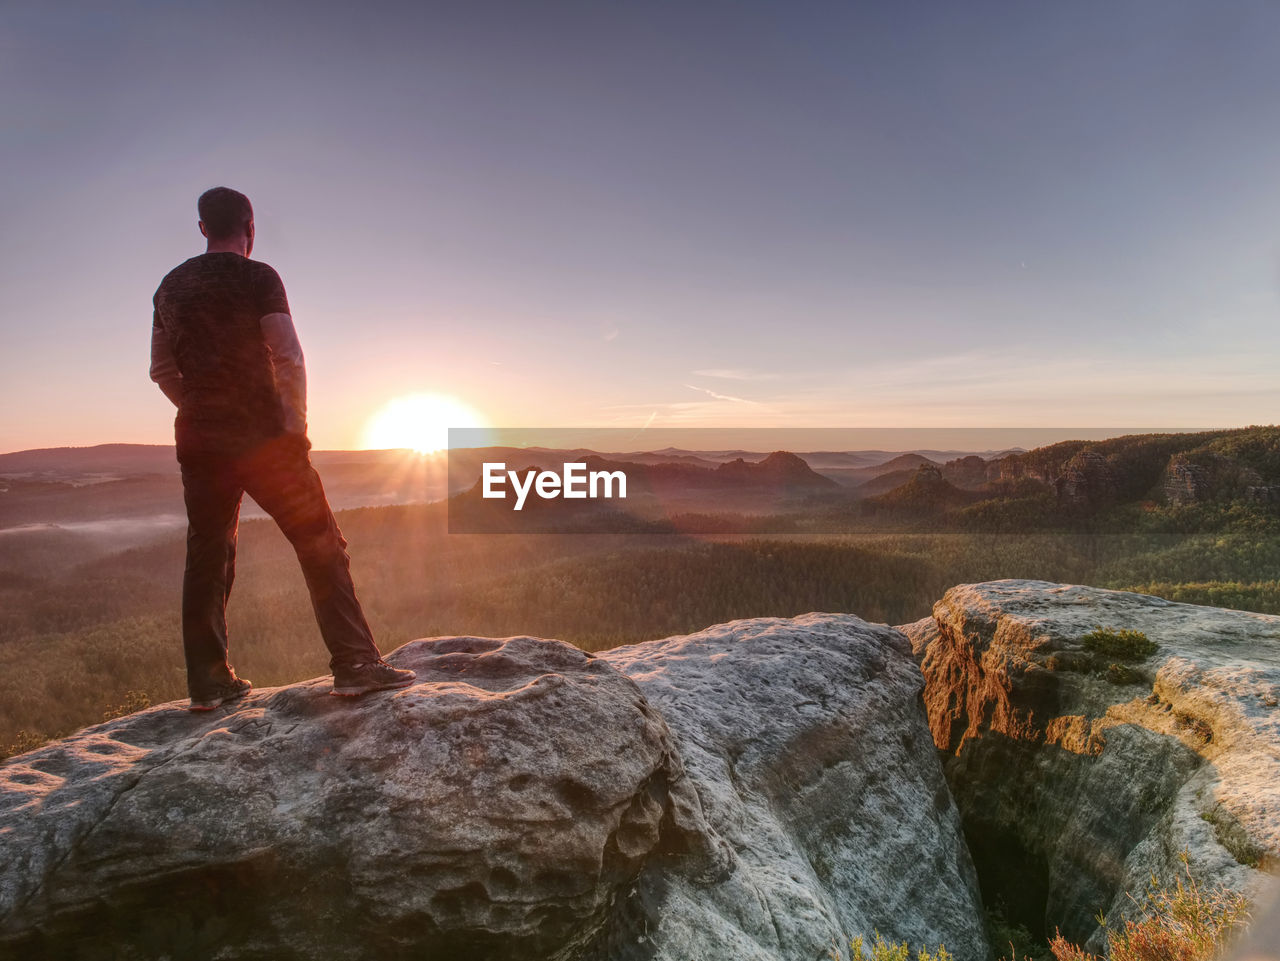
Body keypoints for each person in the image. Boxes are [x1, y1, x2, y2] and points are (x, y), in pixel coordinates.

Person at [150, 186, 415, 711]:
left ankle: (208, 683)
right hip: (264, 435)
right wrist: (294, 428)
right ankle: (355, 665)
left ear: (203, 227)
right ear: (250, 226)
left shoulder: (170, 287)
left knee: (207, 554)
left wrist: (199, 406)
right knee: (320, 543)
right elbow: (288, 355)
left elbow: (160, 370)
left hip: (199, 437)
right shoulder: (258, 277)